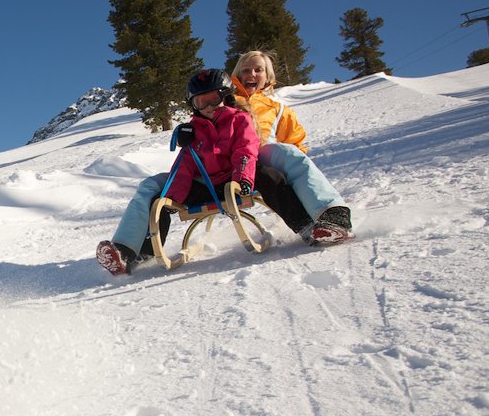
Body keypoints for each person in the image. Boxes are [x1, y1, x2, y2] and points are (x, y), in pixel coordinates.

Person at [96, 69, 313, 275]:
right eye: (201, 101)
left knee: (270, 177)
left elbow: (244, 151)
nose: (208, 106)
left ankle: (307, 226)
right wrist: (173, 197)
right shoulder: (192, 131)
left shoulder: (240, 119)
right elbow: (186, 165)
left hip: (236, 181)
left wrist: (242, 180)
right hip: (206, 185)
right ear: (193, 105)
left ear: (226, 96)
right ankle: (138, 254)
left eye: (213, 99)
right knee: (157, 201)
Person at [231, 50, 354, 243]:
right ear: (238, 75)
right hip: (236, 160)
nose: (252, 74)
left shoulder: (278, 109)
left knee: (288, 153)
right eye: (246, 70)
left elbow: (294, 143)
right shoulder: (226, 103)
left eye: (258, 70)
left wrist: (295, 167)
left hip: (265, 157)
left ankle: (331, 216)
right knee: (284, 152)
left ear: (267, 76)